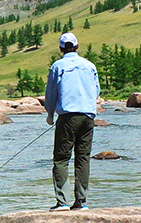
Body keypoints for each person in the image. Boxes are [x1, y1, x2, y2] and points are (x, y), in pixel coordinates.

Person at [43, 31, 100, 210]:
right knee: (83, 158)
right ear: (77, 46)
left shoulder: (58, 66)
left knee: (61, 159)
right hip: (88, 116)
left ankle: (62, 202)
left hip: (67, 117)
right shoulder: (90, 65)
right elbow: (96, 91)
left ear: (61, 48)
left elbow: (51, 94)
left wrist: (50, 115)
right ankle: (81, 202)